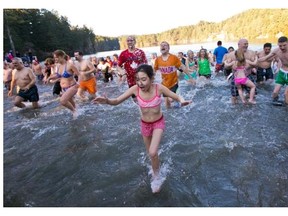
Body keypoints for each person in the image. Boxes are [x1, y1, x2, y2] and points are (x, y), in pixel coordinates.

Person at [91, 64, 192, 193]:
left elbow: (176, 96)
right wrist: (107, 101)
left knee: (152, 152)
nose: (140, 83)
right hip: (144, 124)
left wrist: (182, 100)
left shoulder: (158, 88)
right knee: (150, 153)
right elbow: (116, 101)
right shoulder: (134, 89)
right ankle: (155, 165)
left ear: (151, 78)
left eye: (143, 79)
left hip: (158, 123)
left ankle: (156, 177)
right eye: (137, 79)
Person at [154, 41, 188, 108]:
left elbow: (182, 67)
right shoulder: (158, 59)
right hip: (164, 84)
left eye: (165, 45)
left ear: (169, 48)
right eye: (161, 45)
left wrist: (190, 77)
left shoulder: (174, 57)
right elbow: (154, 71)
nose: (163, 47)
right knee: (167, 104)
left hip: (174, 83)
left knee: (171, 99)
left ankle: (179, 103)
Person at [46, 50, 79, 118]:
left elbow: (79, 75)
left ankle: (74, 111)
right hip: (64, 88)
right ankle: (78, 111)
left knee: (63, 101)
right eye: (54, 57)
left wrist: (80, 85)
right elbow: (58, 75)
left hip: (72, 86)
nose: (55, 59)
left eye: (56, 57)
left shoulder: (70, 65)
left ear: (61, 56)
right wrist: (49, 78)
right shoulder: (58, 66)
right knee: (71, 102)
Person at [224, 38, 258, 104]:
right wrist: (230, 65)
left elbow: (256, 65)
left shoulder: (251, 53)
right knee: (234, 96)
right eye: (245, 44)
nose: (246, 45)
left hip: (248, 76)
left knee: (253, 94)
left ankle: (247, 103)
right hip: (236, 77)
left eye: (247, 44)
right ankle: (235, 109)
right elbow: (226, 67)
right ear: (239, 45)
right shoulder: (231, 54)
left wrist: (253, 68)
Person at [258, 36, 288, 105]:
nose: (282, 47)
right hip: (282, 72)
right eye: (280, 46)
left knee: (286, 94)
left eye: (284, 45)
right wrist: (255, 61)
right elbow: (265, 58)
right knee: (274, 93)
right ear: (278, 44)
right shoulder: (276, 51)